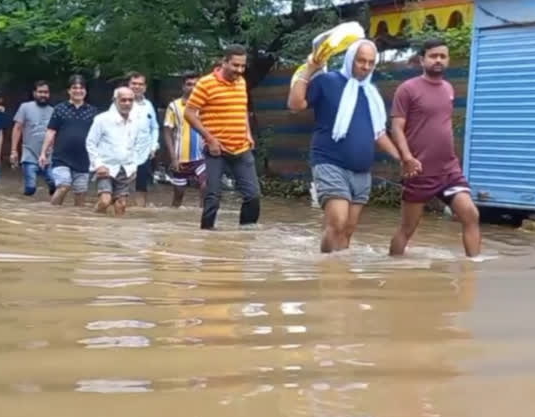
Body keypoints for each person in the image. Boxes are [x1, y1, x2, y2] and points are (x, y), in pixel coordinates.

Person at [287, 39, 420, 252]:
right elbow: (295, 104)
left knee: (348, 229)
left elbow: (379, 134)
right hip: (329, 162)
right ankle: (326, 271)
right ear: (350, 60)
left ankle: (339, 276)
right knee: (337, 223)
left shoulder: (370, 94)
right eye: (361, 61)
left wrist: (402, 158)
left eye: (370, 62)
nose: (366, 67)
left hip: (361, 172)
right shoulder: (327, 81)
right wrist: (309, 69)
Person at [389, 39, 481, 257]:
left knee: (470, 214)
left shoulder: (449, 88)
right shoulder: (407, 89)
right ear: (422, 60)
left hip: (449, 170)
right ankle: (392, 269)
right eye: (433, 56)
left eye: (443, 56)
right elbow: (396, 127)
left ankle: (472, 270)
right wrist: (407, 157)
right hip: (419, 171)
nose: (438, 60)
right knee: (407, 228)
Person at [184, 44, 260, 230]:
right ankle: (207, 237)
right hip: (216, 150)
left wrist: (248, 133)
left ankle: (246, 236)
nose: (239, 70)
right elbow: (190, 113)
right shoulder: (205, 84)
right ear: (224, 62)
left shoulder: (241, 82)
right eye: (235, 65)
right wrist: (210, 139)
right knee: (213, 197)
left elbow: (242, 110)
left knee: (253, 196)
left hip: (241, 148)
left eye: (243, 66)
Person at [87, 87, 151, 216]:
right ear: (115, 100)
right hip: (106, 166)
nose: (127, 103)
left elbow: (137, 145)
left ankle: (116, 231)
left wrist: (134, 167)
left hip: (125, 168)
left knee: (121, 204)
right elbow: (91, 143)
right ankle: (94, 223)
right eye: (123, 100)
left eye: (130, 100)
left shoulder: (137, 121)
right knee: (105, 201)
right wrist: (98, 165)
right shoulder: (102, 119)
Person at [39, 75, 97, 207]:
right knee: (63, 186)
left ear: (85, 91)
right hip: (61, 157)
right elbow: (51, 131)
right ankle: (51, 214)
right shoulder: (60, 109)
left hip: (84, 158)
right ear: (69, 91)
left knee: (81, 194)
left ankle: (76, 223)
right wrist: (43, 153)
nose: (78, 91)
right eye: (74, 88)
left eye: (81, 88)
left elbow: (98, 136)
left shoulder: (93, 112)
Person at [163, 72, 206, 207]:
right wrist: (173, 158)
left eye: (196, 85)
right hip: (180, 158)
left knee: (206, 187)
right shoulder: (174, 106)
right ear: (183, 87)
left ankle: (203, 218)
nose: (192, 88)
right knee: (178, 196)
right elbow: (167, 132)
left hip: (201, 156)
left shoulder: (205, 105)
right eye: (189, 84)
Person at [11, 80, 56, 196]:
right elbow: (17, 128)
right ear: (34, 93)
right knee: (30, 188)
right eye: (40, 92)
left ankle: (52, 208)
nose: (43, 95)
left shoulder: (53, 111)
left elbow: (55, 133)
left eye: (46, 92)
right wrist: (14, 151)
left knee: (55, 184)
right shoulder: (25, 107)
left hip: (48, 155)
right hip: (29, 153)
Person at [126, 72, 159, 206]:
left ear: (145, 87)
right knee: (120, 185)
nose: (137, 87)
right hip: (123, 153)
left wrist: (153, 146)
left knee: (141, 187)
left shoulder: (148, 105)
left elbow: (155, 128)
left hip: (143, 154)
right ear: (129, 85)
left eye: (140, 84)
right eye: (134, 83)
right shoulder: (119, 103)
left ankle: (140, 213)